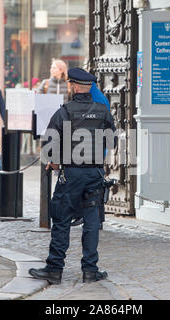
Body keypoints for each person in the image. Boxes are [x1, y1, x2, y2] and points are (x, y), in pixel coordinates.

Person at [29, 68, 116, 284]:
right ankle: (90, 270)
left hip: (72, 173)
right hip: (95, 172)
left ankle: (54, 268)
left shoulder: (65, 112)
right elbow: (111, 141)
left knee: (61, 219)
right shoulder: (103, 111)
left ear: (74, 87)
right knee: (92, 221)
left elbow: (49, 143)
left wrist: (57, 159)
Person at [70, 82, 111, 227]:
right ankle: (94, 218)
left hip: (91, 147)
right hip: (94, 147)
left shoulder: (95, 99)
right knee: (94, 183)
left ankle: (93, 218)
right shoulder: (98, 96)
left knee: (91, 184)